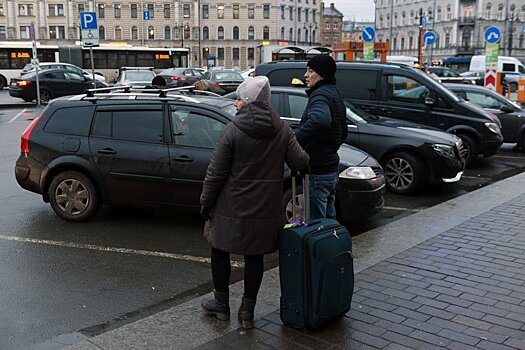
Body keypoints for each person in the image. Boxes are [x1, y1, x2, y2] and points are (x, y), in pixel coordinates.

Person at [199, 76, 309, 329]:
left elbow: (216, 173)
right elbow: (301, 162)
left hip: (231, 205)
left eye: (238, 98)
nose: (235, 103)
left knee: (219, 249)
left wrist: (206, 202)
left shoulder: (233, 130)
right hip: (265, 207)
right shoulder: (281, 129)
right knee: (254, 256)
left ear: (247, 101)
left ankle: (221, 305)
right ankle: (247, 312)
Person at [294, 54, 347, 220]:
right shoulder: (333, 93)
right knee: (329, 219)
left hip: (316, 170)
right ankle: (333, 246)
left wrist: (295, 139)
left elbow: (321, 120)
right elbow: (343, 131)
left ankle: (320, 247)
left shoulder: (320, 95)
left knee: (316, 223)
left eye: (310, 71)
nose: (306, 75)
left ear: (322, 74)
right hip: (331, 168)